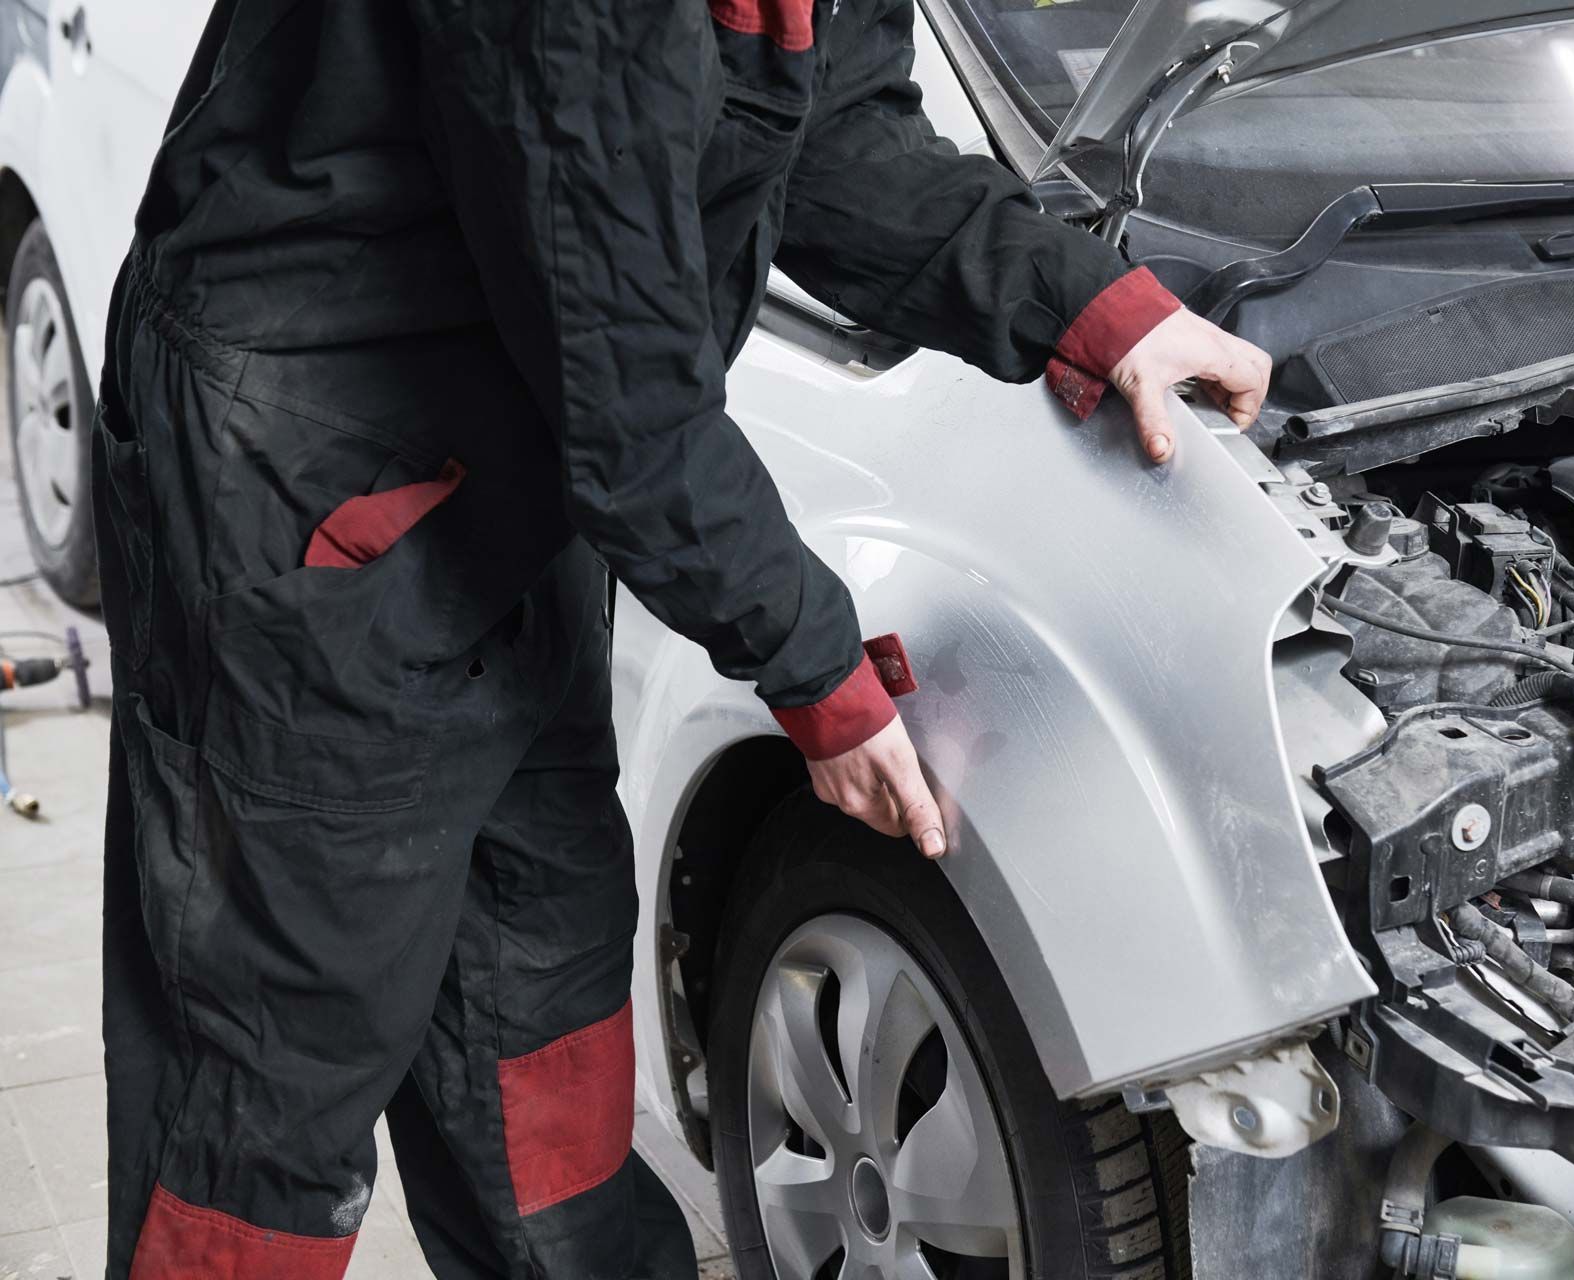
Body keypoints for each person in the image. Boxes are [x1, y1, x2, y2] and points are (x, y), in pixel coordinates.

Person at [92, 0, 1271, 1275]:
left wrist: (1096, 307)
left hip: (508, 482)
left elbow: (840, 143)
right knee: (269, 1081)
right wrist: (819, 668)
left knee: (538, 1020)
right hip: (305, 493)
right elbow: (624, 378)